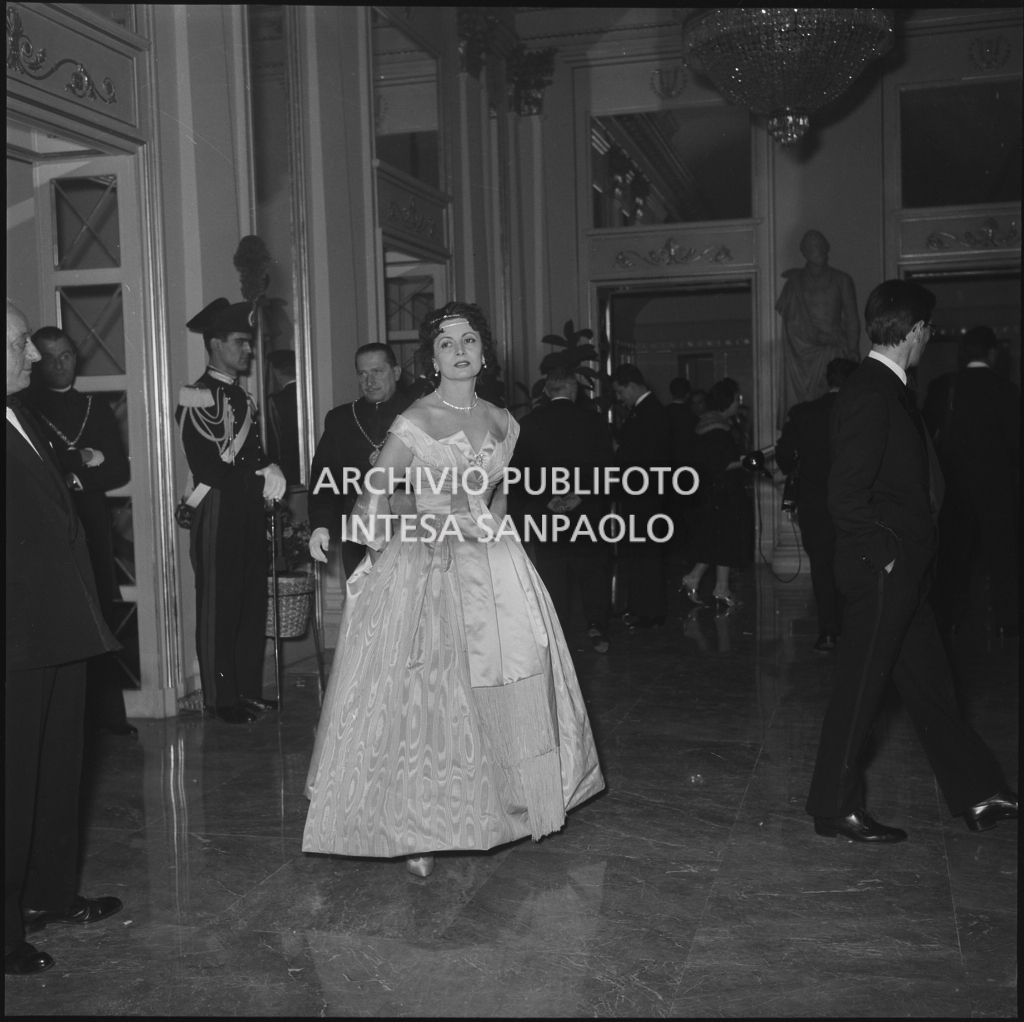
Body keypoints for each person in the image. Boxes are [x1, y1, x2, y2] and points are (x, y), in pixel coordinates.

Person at [303, 302, 604, 878]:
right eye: (447, 343)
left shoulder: (503, 421)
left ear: (485, 353)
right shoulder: (416, 418)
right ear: (431, 358)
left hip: (492, 559)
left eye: (469, 340)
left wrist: (501, 534)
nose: (460, 350)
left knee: (506, 677)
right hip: (427, 558)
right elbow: (373, 492)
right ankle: (418, 826)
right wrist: (379, 556)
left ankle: (504, 803)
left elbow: (500, 496)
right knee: (428, 696)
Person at [805, 279, 1017, 843]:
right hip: (883, 570)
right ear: (917, 330)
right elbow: (845, 494)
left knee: (931, 687)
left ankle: (979, 791)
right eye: (930, 330)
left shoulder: (889, 387)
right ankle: (833, 807)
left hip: (903, 569)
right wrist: (887, 559)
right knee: (861, 690)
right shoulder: (871, 391)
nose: (930, 339)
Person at [6, 300, 124, 977]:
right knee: (11, 783)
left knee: (57, 773)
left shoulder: (24, 413)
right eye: (21, 343)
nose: (33, 357)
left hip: (60, 624)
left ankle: (50, 896)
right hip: (14, 636)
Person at [176, 298, 287, 724]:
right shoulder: (198, 396)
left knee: (248, 599)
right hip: (219, 507)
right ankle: (220, 699)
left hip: (245, 509)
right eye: (240, 342)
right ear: (216, 343)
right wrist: (261, 475)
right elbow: (209, 468)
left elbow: (250, 456)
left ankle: (246, 691)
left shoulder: (241, 397)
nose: (249, 351)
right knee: (219, 603)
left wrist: (266, 471)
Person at [26, 327, 136, 737]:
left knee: (101, 616)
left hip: (91, 520)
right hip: (46, 525)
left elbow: (117, 470)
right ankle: (67, 724)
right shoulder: (26, 406)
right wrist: (81, 459)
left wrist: (72, 477)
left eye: (67, 355)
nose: (59, 364)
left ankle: (110, 717)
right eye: (50, 356)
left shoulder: (94, 406)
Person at [922, 326, 1019, 635]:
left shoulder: (943, 387)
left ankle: (947, 619)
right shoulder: (1007, 390)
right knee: (1003, 555)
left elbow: (924, 437)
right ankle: (1007, 620)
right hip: (997, 487)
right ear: (992, 353)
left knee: (952, 556)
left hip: (955, 485)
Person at [511, 366, 614, 653]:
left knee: (553, 572)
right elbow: (606, 468)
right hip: (587, 510)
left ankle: (556, 636)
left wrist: (547, 499)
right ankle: (597, 629)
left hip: (547, 512)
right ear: (575, 389)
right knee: (592, 571)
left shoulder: (528, 423)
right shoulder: (594, 421)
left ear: (546, 391)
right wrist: (579, 496)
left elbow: (518, 474)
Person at [775, 357, 859, 651]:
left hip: (814, 501)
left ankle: (828, 631)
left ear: (828, 380)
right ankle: (855, 630)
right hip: (854, 501)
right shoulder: (860, 413)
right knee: (854, 566)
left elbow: (785, 457)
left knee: (821, 567)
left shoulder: (802, 413)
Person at [308, 343, 410, 578]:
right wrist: (320, 524)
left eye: (377, 371)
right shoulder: (341, 419)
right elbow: (324, 477)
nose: (369, 380)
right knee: (361, 608)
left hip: (411, 530)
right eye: (362, 373)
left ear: (395, 372)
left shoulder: (418, 414)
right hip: (357, 534)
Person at [679, 378, 749, 611]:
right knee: (724, 540)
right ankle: (718, 587)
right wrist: (748, 462)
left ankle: (703, 581)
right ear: (729, 401)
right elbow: (720, 464)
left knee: (716, 540)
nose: (739, 403)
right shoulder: (718, 430)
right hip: (723, 493)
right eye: (737, 399)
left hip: (711, 493)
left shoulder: (708, 424)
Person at [611, 364, 672, 628]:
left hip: (644, 494)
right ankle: (644, 607)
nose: (618, 397)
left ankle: (647, 610)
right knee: (643, 552)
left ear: (632, 385)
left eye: (620, 391)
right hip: (645, 493)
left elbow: (639, 455)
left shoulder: (649, 413)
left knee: (644, 553)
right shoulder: (647, 411)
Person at [776, 229, 860, 410]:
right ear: (805, 252)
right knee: (805, 409)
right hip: (802, 353)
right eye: (814, 247)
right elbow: (790, 323)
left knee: (836, 405)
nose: (820, 250)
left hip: (834, 348)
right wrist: (811, 336)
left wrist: (852, 349)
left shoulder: (841, 280)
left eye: (822, 245)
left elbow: (852, 319)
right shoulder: (794, 283)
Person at [265, 348, 301, 487]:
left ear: (276, 372)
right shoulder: (308, 394)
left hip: (285, 472)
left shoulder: (274, 401)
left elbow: (274, 443)